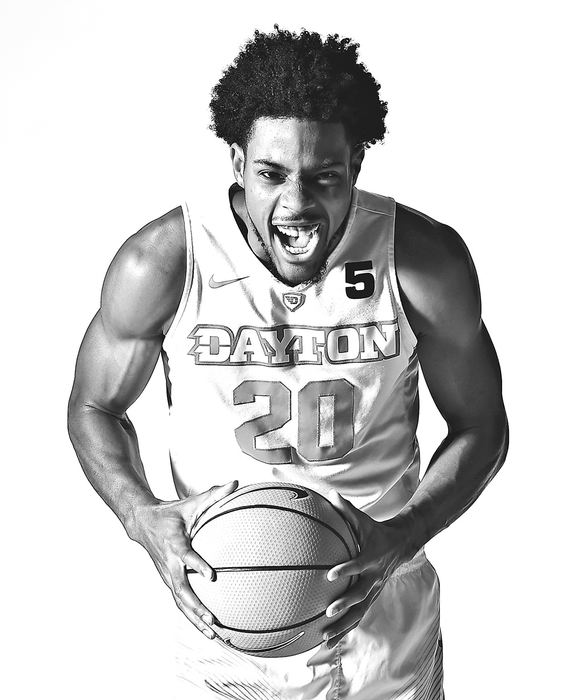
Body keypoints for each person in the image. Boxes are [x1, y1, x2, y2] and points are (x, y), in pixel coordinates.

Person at [68, 26, 508, 699]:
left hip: (385, 638)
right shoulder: (162, 263)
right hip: (223, 644)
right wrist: (139, 515)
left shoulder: (423, 262)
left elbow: (483, 425)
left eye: (323, 177)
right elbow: (93, 405)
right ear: (238, 162)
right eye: (272, 174)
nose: (297, 203)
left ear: (357, 162)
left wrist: (404, 534)